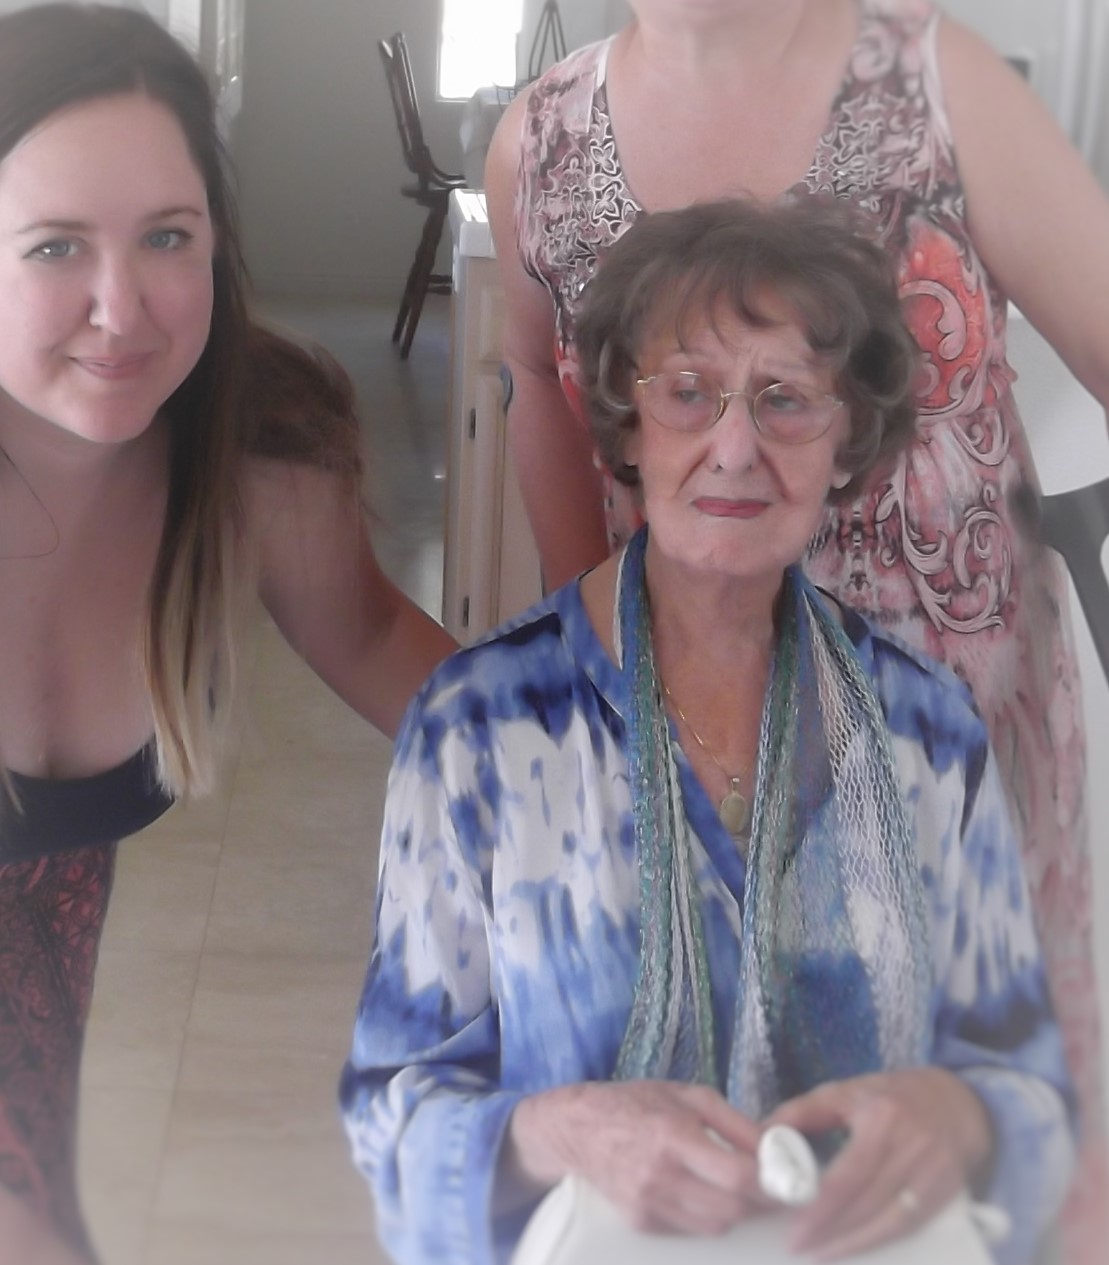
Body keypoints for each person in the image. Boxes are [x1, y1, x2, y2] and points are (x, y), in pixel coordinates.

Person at [484, 3, 1109, 1258]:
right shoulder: (540, 141)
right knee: (721, 1178)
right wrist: (586, 664)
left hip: (960, 789)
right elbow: (541, 391)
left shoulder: (935, 83)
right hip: (698, 778)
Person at [341, 200, 1075, 1265]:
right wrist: (558, 1131)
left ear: (846, 439)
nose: (735, 447)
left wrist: (961, 1116)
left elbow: (1030, 1088)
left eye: (786, 400)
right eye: (688, 392)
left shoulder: (926, 732)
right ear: (628, 426)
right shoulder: (480, 728)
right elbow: (390, 1115)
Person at [0, 5, 454, 1263]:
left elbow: (370, 639)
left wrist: (628, 770)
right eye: (54, 245)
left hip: (23, 966)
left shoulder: (258, 448)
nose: (122, 307)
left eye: (167, 236)